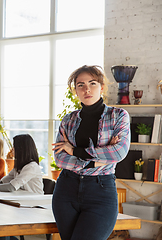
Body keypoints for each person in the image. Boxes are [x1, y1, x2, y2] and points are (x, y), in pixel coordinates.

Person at [51, 65, 130, 240]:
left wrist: (74, 151)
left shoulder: (119, 116)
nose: (87, 89)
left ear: (101, 87)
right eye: (81, 85)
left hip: (101, 192)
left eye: (92, 83)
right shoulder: (68, 120)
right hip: (66, 191)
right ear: (75, 91)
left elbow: (118, 152)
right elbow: (60, 158)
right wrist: (97, 160)